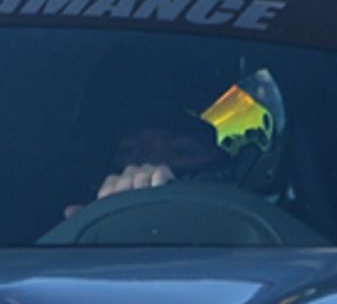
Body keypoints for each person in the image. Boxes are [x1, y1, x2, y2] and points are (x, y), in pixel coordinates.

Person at [71, 68, 287, 216]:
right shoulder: (66, 253)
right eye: (130, 151)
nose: (152, 169)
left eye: (181, 151)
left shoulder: (272, 251)